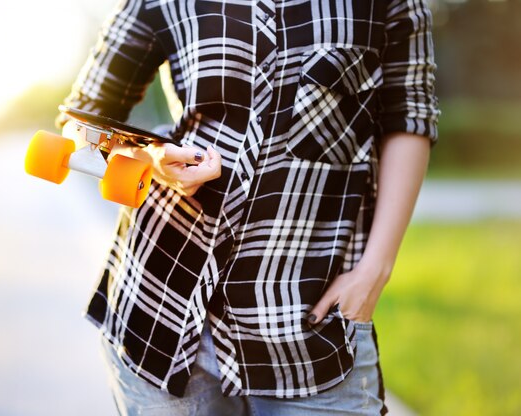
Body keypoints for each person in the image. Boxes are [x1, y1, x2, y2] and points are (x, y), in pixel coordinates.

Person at [57, 0, 439, 414]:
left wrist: (375, 270)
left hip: (312, 323)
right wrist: (154, 160)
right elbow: (82, 123)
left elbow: (410, 116)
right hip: (161, 306)